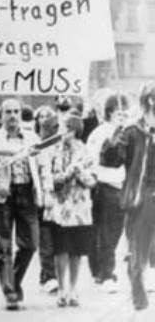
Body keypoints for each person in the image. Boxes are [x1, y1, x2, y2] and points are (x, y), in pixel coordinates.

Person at [100, 82, 155, 311]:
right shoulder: (133, 131)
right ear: (151, 100)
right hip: (143, 196)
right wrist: (116, 134)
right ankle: (139, 300)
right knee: (137, 249)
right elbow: (110, 160)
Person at [0, 98, 41, 310]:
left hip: (26, 192)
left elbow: (42, 166)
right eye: (8, 112)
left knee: (31, 244)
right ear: (0, 116)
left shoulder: (32, 138)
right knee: (4, 246)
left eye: (16, 111)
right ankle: (10, 293)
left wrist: (45, 191)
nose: (13, 116)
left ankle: (14, 281)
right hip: (3, 197)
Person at [41, 111, 95, 307]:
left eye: (64, 128)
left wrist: (79, 171)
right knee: (60, 249)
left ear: (73, 131)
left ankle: (73, 289)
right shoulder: (53, 150)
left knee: (77, 251)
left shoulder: (85, 150)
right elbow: (50, 178)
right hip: (60, 209)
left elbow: (92, 180)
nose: (61, 132)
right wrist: (67, 172)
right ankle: (62, 289)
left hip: (80, 209)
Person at [86, 92, 129, 292]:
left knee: (116, 231)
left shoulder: (128, 132)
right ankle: (105, 273)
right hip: (104, 186)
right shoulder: (100, 133)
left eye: (124, 113)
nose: (122, 116)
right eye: (118, 113)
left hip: (122, 186)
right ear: (109, 113)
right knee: (105, 232)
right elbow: (92, 160)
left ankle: (102, 270)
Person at [32, 106, 60, 296]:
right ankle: (48, 276)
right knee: (46, 238)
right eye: (41, 117)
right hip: (43, 197)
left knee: (58, 238)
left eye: (49, 119)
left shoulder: (61, 145)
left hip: (61, 197)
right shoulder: (35, 145)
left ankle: (54, 274)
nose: (45, 122)